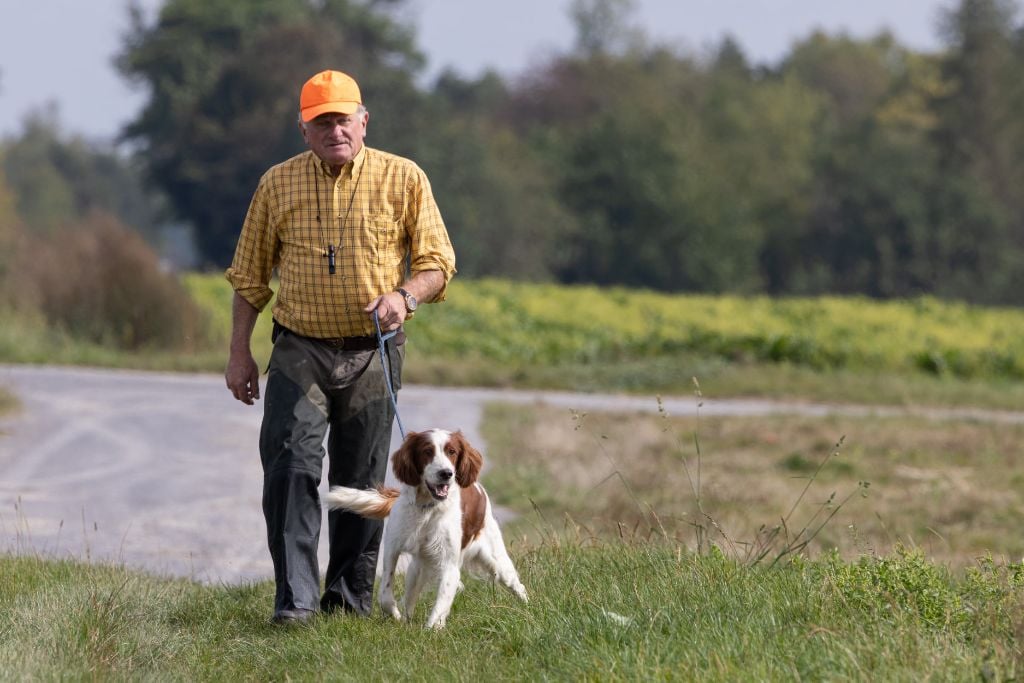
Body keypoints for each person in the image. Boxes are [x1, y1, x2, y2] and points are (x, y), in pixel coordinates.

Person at [224, 69, 456, 625]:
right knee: (289, 467)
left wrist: (406, 295)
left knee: (364, 481)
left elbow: (437, 263)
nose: (335, 130)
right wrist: (239, 353)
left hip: (374, 350)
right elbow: (249, 278)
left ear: (364, 120)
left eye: (343, 119)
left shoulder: (404, 178)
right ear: (303, 128)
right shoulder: (276, 184)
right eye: (321, 121)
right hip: (299, 347)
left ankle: (348, 601)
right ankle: (296, 603)